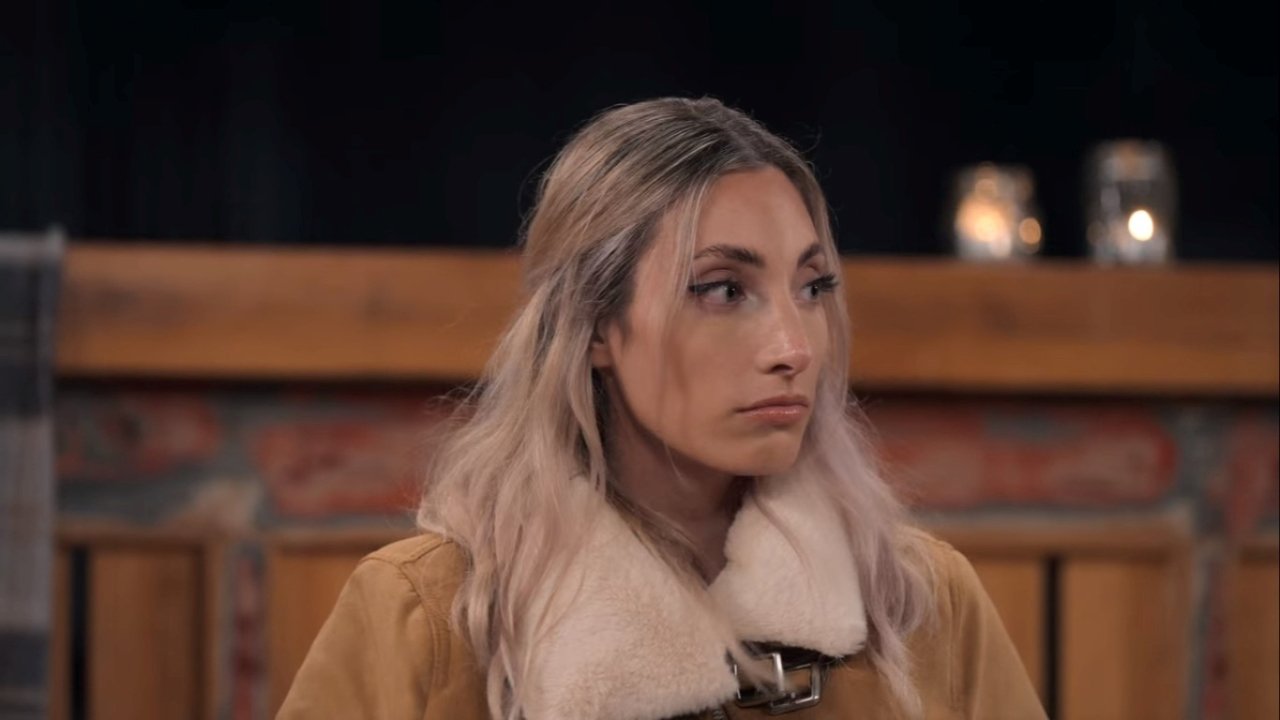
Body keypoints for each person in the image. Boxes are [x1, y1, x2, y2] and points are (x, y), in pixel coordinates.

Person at [277, 97, 1046, 720]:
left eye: (812, 288)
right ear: (594, 324)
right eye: (724, 290)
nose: (793, 347)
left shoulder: (920, 602)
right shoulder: (426, 615)